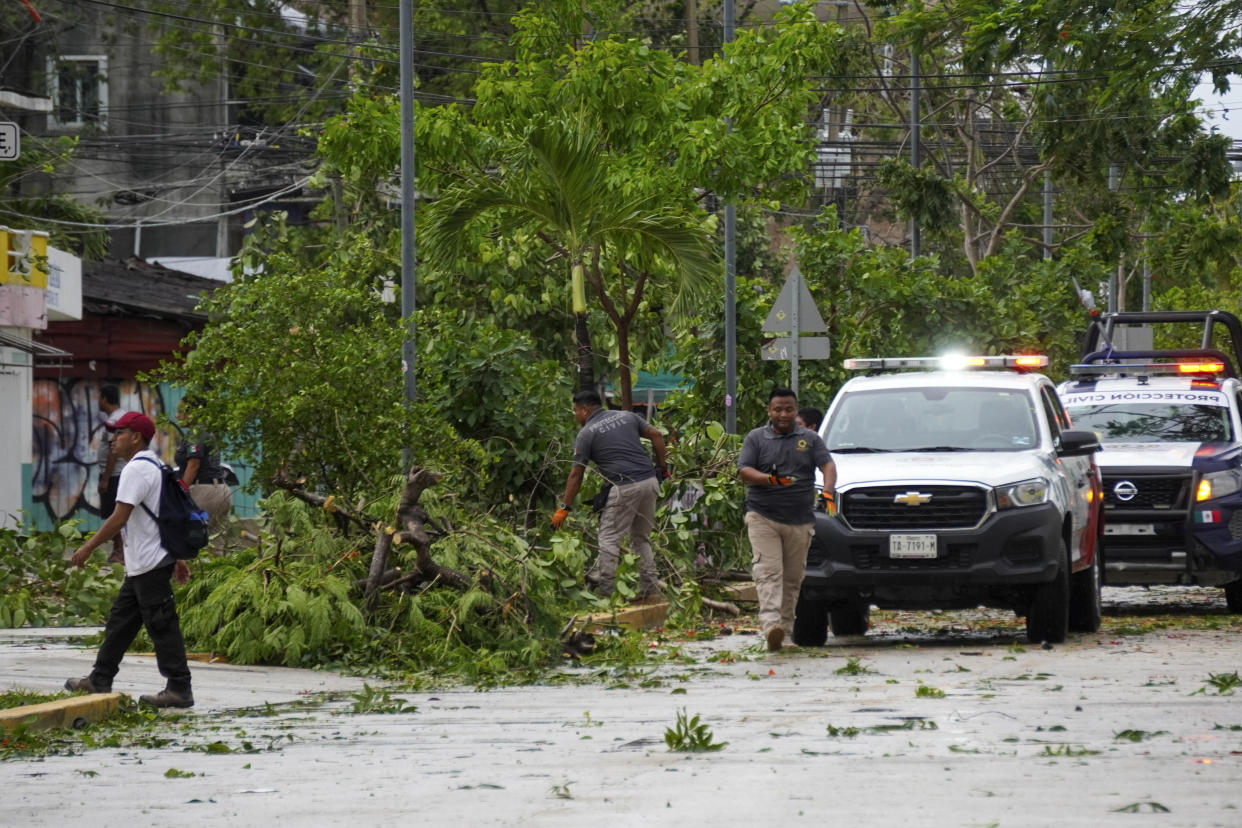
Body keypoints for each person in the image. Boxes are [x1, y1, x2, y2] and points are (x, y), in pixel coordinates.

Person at [65, 411, 195, 709]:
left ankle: (180, 688)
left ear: (135, 437)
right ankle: (99, 678)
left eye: (120, 432)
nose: (113, 438)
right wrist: (175, 557)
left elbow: (118, 517)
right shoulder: (156, 465)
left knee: (162, 627)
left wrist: (88, 547)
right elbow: (163, 517)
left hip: (148, 563)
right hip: (145, 562)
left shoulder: (135, 469)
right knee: (120, 624)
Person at [738, 387, 836, 652]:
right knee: (769, 572)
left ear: (796, 410)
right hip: (762, 516)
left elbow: (827, 465)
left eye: (789, 409)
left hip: (800, 520)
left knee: (792, 579)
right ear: (769, 411)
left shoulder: (811, 439)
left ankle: (786, 634)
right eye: (777, 409)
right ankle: (771, 626)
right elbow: (744, 470)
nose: (783, 414)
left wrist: (828, 491)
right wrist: (770, 479)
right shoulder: (756, 438)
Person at [552, 390, 669, 601]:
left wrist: (564, 508)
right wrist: (662, 468)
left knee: (608, 539)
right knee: (641, 538)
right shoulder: (627, 416)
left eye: (576, 411)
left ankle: (605, 595)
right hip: (649, 482)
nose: (575, 415)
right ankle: (650, 591)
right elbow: (657, 435)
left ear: (585, 410)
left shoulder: (586, 433)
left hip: (624, 487)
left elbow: (576, 474)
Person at [174, 397, 233, 539]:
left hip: (204, 492)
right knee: (214, 541)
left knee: (195, 538)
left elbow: (193, 465)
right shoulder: (205, 431)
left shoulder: (196, 434)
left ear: (193, 413)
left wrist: (181, 491)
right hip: (219, 489)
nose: (177, 416)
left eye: (181, 412)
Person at [96, 384, 130, 565]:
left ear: (104, 398)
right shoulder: (117, 417)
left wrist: (106, 478)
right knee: (113, 512)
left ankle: (119, 552)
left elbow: (113, 451)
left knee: (114, 513)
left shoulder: (115, 420)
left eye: (99, 397)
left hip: (115, 475)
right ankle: (119, 551)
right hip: (114, 474)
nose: (97, 401)